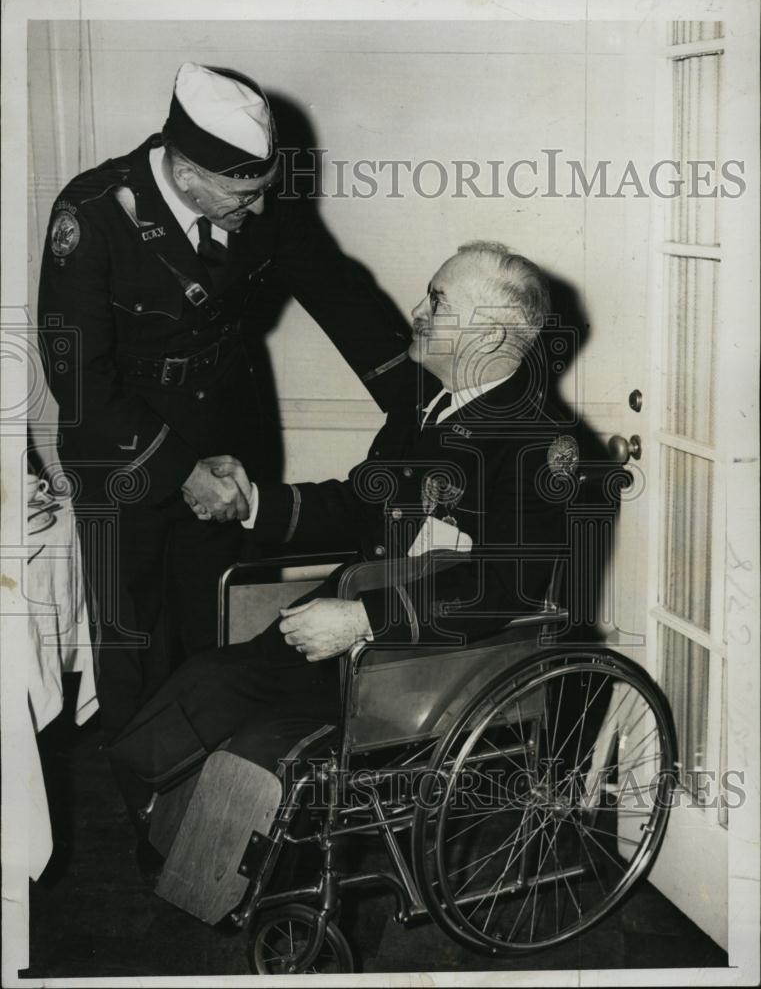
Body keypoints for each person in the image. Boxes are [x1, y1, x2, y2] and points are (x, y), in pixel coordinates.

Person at [110, 241, 616, 910]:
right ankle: (175, 848)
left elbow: (508, 586)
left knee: (253, 741)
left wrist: (363, 619)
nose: (416, 309)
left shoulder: (545, 445)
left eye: (437, 300)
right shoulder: (423, 408)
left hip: (430, 661)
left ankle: (208, 870)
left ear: (490, 334)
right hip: (352, 632)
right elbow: (358, 506)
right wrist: (255, 500)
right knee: (198, 690)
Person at [37, 62, 413, 765]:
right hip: (125, 455)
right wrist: (179, 470)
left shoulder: (256, 196)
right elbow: (79, 378)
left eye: (264, 189)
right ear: (183, 172)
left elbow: (341, 295)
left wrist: (422, 407)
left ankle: (205, 802)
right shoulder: (91, 218)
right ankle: (146, 804)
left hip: (227, 440)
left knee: (210, 627)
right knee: (136, 639)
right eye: (243, 193)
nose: (260, 210)